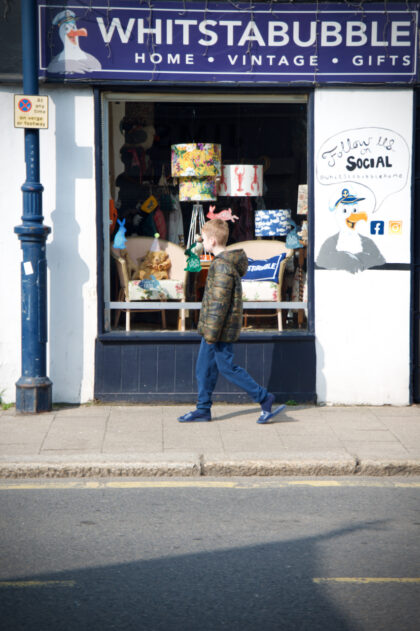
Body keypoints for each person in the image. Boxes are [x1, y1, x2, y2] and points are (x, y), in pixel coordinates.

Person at [178, 218, 285, 424]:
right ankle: (203, 409)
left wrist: (210, 335)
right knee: (203, 368)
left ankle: (264, 397)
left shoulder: (221, 267)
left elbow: (219, 305)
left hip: (217, 331)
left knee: (226, 367)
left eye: (203, 239)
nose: (201, 243)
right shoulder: (225, 264)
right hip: (215, 329)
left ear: (211, 241)